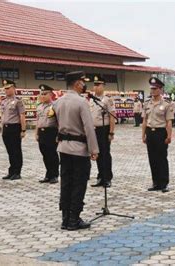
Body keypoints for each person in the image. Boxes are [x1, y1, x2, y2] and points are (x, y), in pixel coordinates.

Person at [54, 71, 99, 230]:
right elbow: (88, 128)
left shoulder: (58, 102)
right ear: (76, 84)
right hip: (79, 150)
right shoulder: (81, 102)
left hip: (64, 148)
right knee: (79, 184)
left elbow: (55, 124)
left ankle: (65, 218)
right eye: (82, 82)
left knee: (66, 183)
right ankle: (74, 219)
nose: (83, 84)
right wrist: (94, 149)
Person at [142, 77, 174, 193]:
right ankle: (156, 183)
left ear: (160, 89)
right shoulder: (147, 104)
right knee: (152, 159)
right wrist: (143, 135)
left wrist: (169, 136)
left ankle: (164, 183)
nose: (153, 91)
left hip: (161, 133)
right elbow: (144, 120)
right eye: (151, 89)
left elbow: (169, 121)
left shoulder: (166, 104)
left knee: (162, 158)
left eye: (155, 89)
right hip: (150, 132)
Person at [90, 75, 116, 188]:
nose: (95, 87)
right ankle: (100, 177)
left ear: (103, 86)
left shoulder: (107, 99)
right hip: (93, 130)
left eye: (98, 85)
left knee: (105, 154)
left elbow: (112, 117)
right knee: (97, 154)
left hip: (103, 130)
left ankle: (107, 178)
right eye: (94, 85)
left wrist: (111, 132)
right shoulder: (91, 99)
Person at [0, 79, 26, 181]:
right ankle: (11, 171)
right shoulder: (4, 101)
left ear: (14, 88)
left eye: (8, 88)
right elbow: (2, 115)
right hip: (6, 128)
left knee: (16, 151)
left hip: (15, 127)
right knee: (10, 151)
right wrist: (2, 128)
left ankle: (17, 172)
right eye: (5, 88)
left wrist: (23, 130)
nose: (6, 90)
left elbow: (22, 115)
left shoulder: (18, 101)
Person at [35, 84, 59, 184]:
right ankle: (48, 174)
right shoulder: (39, 107)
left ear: (51, 94)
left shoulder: (55, 106)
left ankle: (54, 175)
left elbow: (59, 121)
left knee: (52, 154)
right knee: (45, 155)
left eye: (45, 94)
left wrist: (58, 134)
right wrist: (36, 133)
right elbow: (38, 120)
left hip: (51, 132)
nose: (43, 96)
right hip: (42, 132)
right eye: (42, 94)